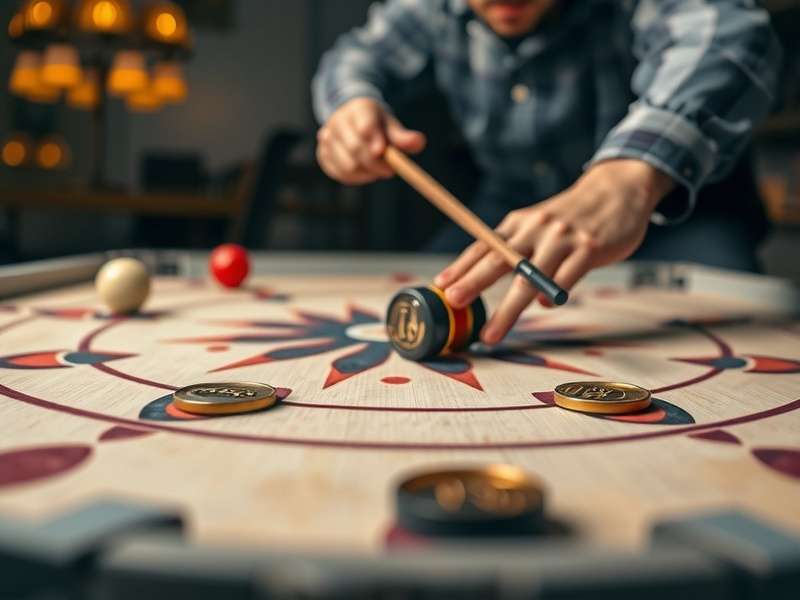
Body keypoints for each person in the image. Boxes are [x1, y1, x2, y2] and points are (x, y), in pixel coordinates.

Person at [312, 0, 781, 344]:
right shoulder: (429, 9)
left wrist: (630, 176)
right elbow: (354, 56)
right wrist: (352, 105)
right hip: (510, 208)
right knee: (441, 287)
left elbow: (728, 34)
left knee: (744, 329)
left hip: (678, 205)